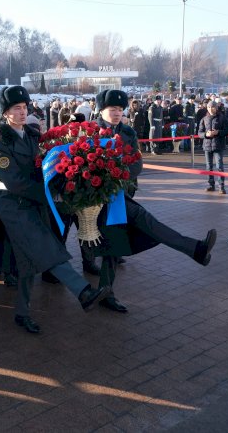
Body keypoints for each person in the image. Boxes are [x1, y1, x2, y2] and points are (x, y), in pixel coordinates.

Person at [0, 86, 105, 334]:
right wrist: (52, 194)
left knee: (28, 259)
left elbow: (48, 162)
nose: (22, 112)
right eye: (16, 109)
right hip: (13, 204)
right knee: (46, 246)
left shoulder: (31, 134)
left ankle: (22, 312)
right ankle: (83, 292)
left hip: (35, 201)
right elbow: (15, 182)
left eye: (24, 107)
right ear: (5, 114)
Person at [90, 90, 143, 313]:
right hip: (94, 196)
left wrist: (122, 177)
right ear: (101, 110)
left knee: (113, 240)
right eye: (113, 110)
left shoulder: (128, 132)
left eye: (121, 110)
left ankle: (106, 291)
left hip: (121, 193)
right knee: (91, 236)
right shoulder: (90, 131)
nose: (117, 113)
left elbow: (137, 163)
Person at [198, 101, 228, 194]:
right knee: (209, 166)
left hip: (218, 145)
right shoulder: (204, 119)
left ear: (216, 108)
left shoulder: (222, 118)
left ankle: (221, 186)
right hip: (207, 146)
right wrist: (206, 134)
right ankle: (211, 185)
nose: (210, 109)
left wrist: (218, 132)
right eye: (209, 107)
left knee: (219, 166)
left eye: (212, 107)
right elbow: (199, 133)